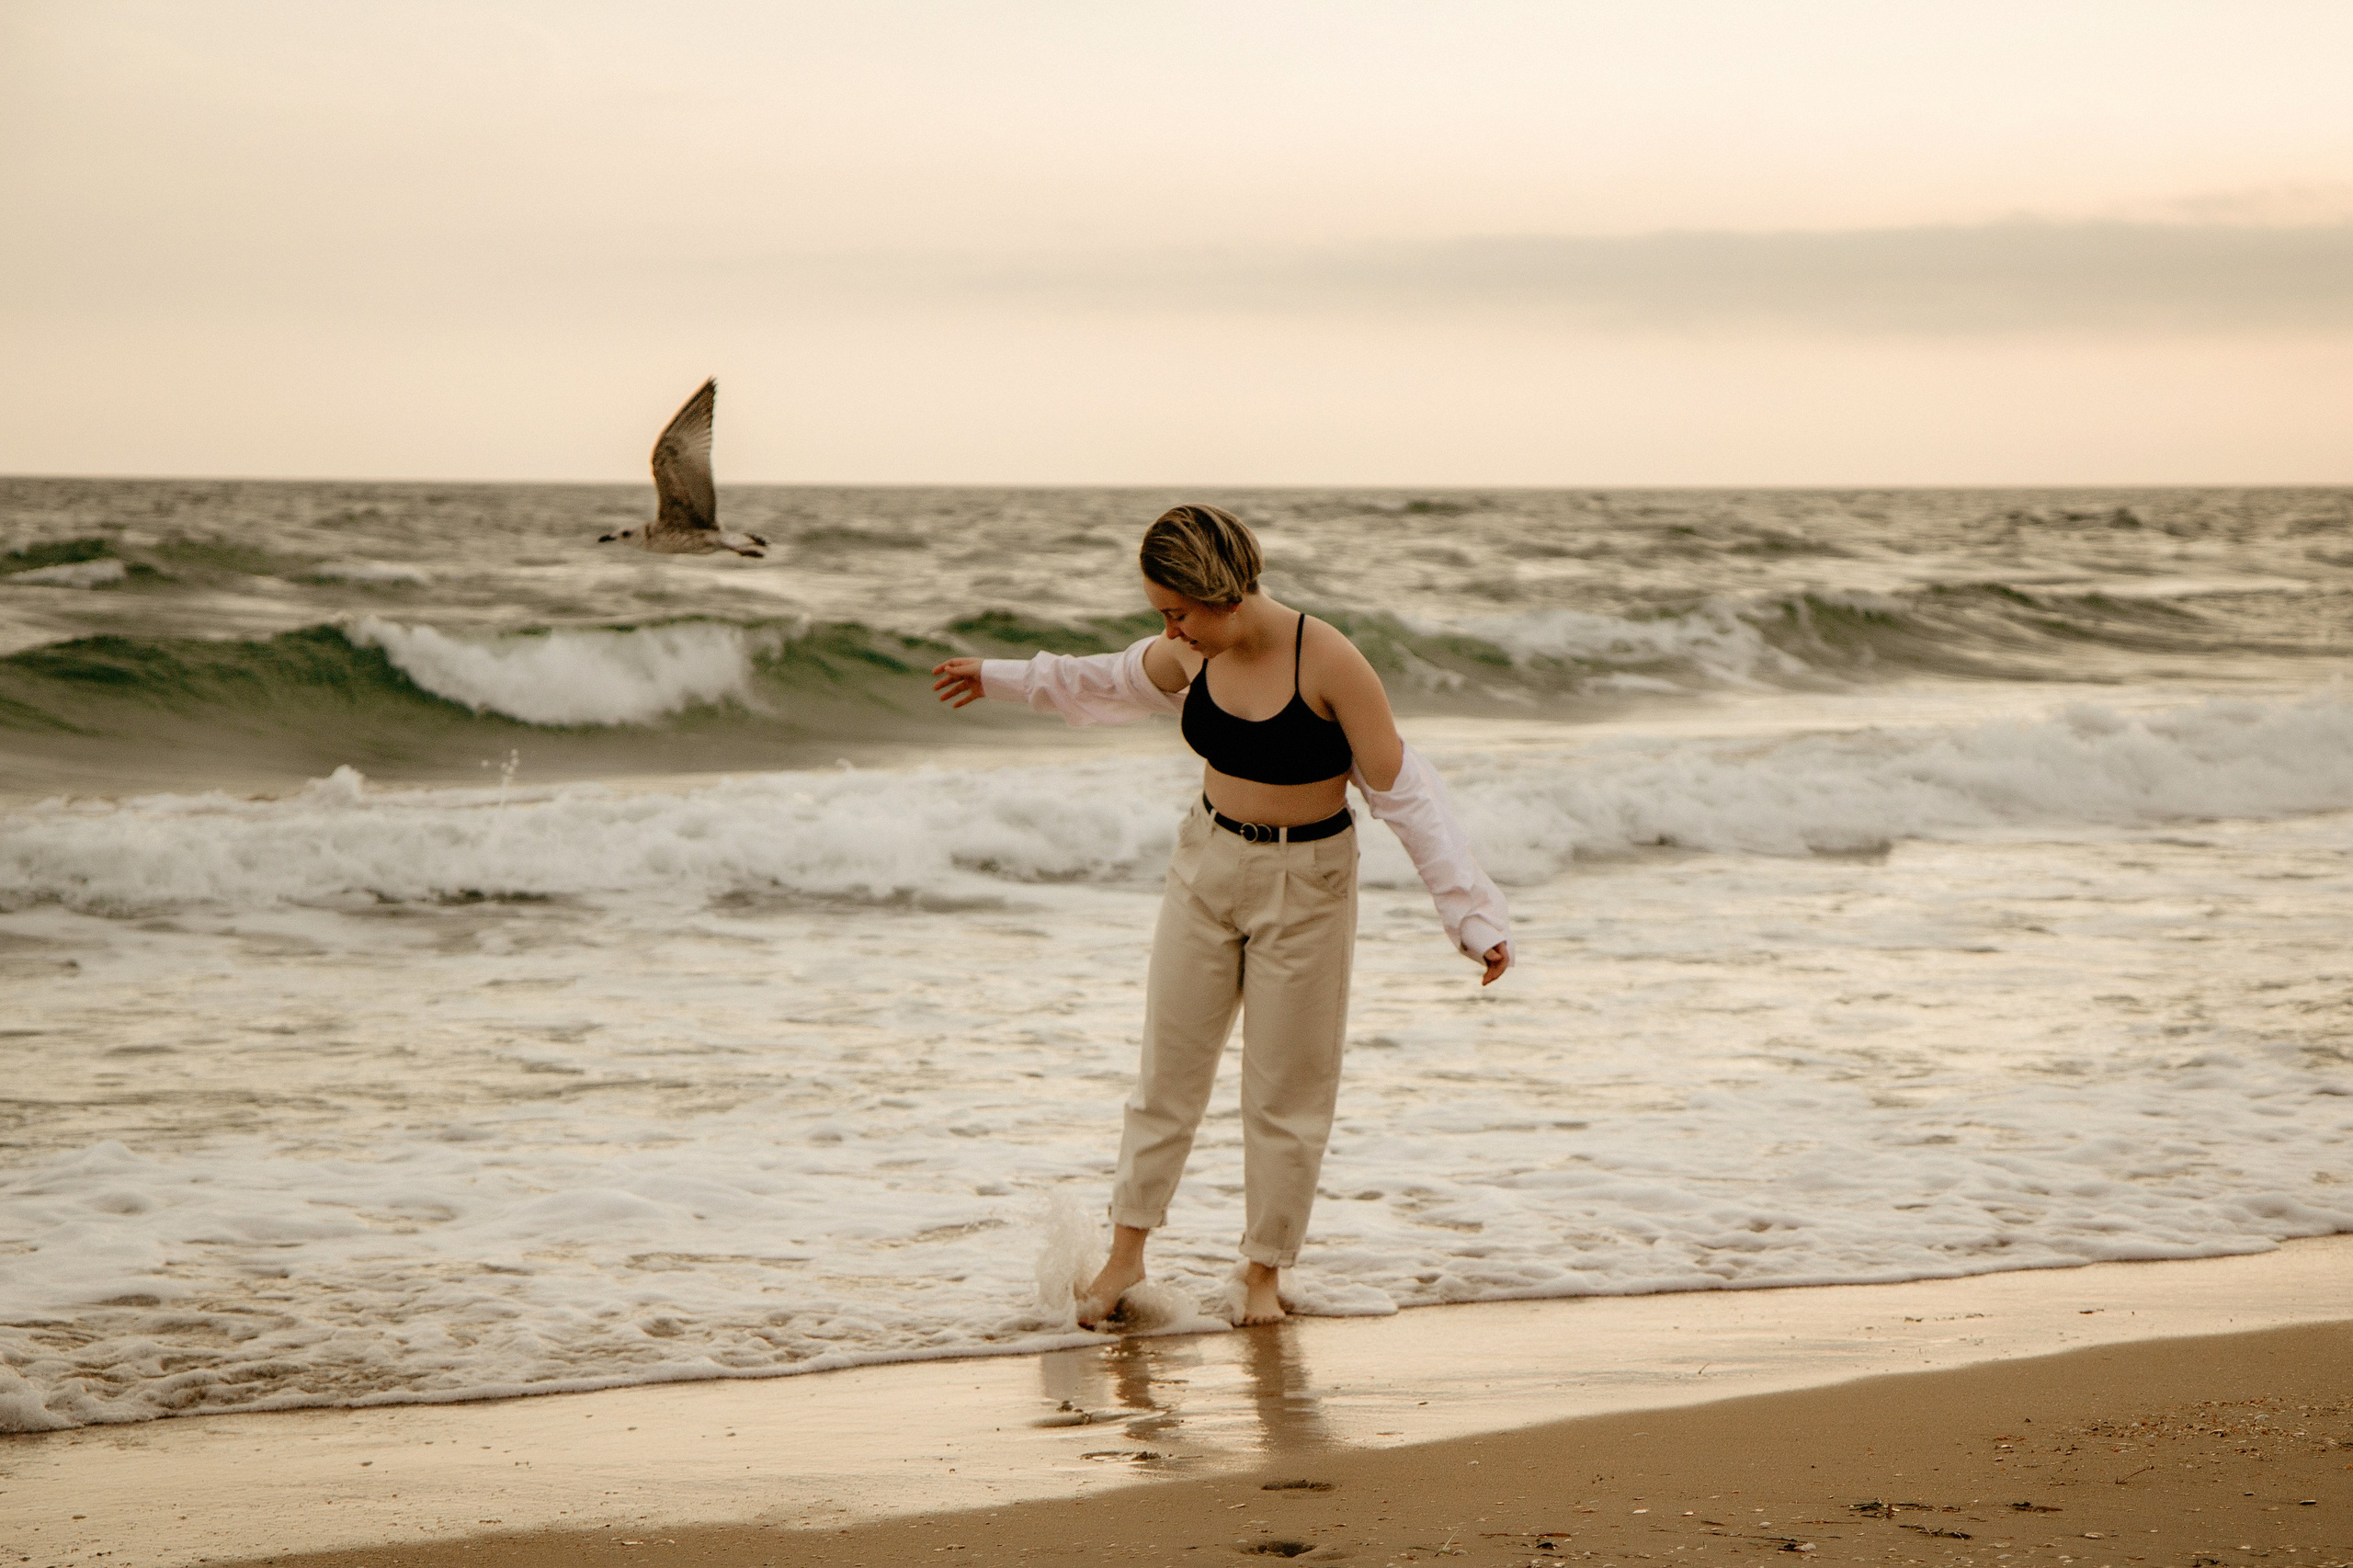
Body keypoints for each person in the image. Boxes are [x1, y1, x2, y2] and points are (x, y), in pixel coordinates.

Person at [931, 504, 1512, 1328]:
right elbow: (1103, 678)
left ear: (1227, 595)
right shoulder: (1187, 652)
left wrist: (1473, 917)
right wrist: (997, 675)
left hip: (1306, 883)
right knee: (1167, 1075)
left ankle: (1262, 1275)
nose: (1169, 631)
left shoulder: (1329, 661)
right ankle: (1123, 1262)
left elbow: (1408, 799)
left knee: (1288, 1091)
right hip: (1205, 865)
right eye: (1160, 614)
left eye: (1179, 612)